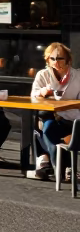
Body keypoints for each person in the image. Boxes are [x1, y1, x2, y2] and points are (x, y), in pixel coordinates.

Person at [30, 42, 80, 180]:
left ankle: (60, 166)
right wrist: (43, 92)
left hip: (74, 118)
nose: (56, 62)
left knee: (48, 128)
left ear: (68, 59)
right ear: (47, 59)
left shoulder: (77, 76)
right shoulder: (43, 75)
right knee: (47, 127)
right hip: (51, 117)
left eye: (60, 58)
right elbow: (33, 98)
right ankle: (61, 168)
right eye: (52, 58)